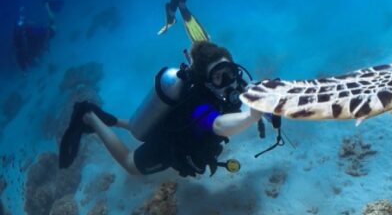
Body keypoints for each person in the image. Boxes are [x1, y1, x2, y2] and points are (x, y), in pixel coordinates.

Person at [58, 40, 264, 177]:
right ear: (207, 82)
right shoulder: (199, 103)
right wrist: (250, 117)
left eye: (230, 72)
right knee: (130, 165)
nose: (228, 81)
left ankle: (112, 120)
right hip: (171, 141)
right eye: (218, 77)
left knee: (142, 127)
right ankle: (89, 115)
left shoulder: (231, 84)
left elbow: (247, 88)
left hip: (171, 121)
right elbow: (218, 124)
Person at [12, 0, 61, 70]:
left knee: (53, 29)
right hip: (34, 36)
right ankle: (47, 7)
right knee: (52, 29)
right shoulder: (23, 52)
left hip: (35, 36)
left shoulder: (22, 50)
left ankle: (47, 6)